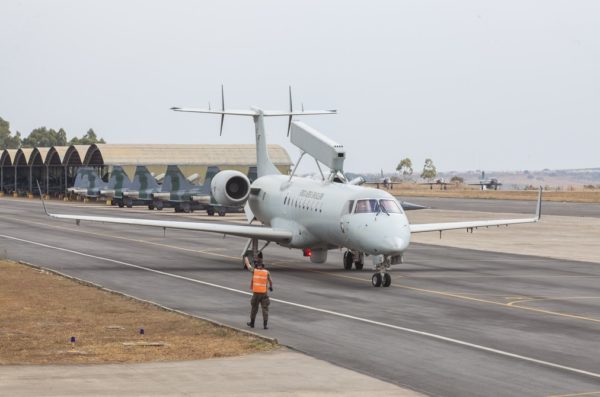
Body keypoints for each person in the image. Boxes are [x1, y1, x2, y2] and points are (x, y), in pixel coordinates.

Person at [244, 254, 273, 329]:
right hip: (264, 293)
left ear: (257, 265)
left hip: (256, 293)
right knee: (265, 309)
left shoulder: (255, 271)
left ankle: (252, 323)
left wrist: (246, 257)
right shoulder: (267, 272)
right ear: (263, 266)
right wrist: (271, 287)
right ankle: (265, 325)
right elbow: (270, 281)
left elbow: (248, 265)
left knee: (254, 308)